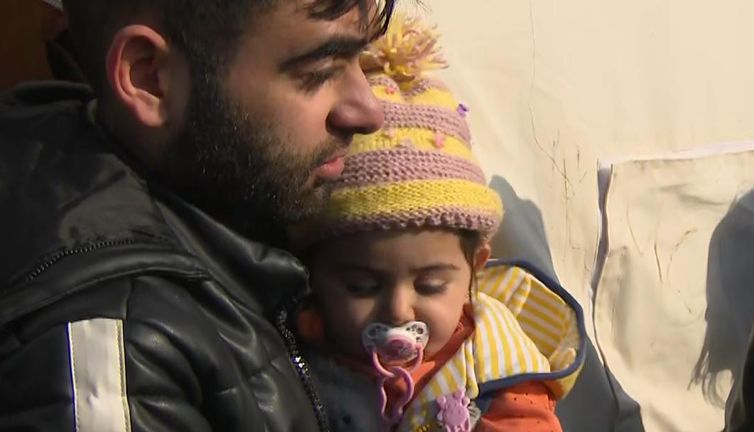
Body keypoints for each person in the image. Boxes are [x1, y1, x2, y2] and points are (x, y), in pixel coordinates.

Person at [0, 0, 394, 430]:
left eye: (363, 60)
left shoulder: (227, 192)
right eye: (319, 70)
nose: (369, 110)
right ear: (149, 77)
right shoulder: (118, 356)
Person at [291, 15, 586, 432]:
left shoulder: (497, 371)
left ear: (475, 268)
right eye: (360, 286)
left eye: (430, 285)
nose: (397, 309)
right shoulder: (289, 349)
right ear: (314, 273)